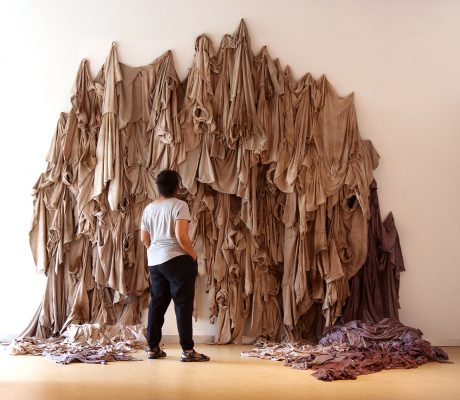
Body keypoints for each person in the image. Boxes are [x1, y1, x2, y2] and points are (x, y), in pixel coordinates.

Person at [140, 169, 210, 362]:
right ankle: (187, 351)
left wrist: (156, 252)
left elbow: (144, 239)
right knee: (183, 305)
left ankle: (152, 347)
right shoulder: (180, 205)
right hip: (177, 260)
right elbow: (181, 237)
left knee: (157, 304)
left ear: (158, 187)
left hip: (155, 261)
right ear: (177, 187)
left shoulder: (149, 208)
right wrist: (193, 255)